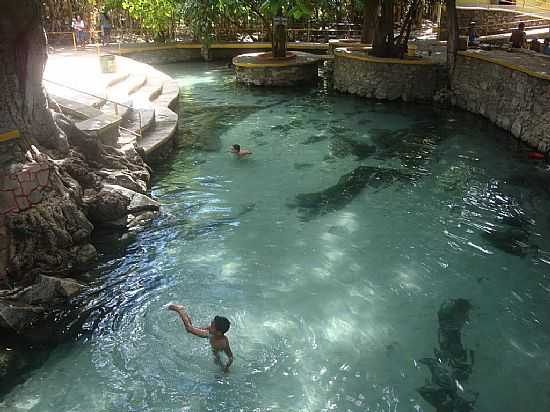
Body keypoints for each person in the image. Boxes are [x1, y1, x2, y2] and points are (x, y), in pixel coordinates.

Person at [168, 304, 234, 372]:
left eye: (212, 326)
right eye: (212, 324)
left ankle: (183, 311)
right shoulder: (212, 334)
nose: (210, 325)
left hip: (215, 347)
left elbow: (231, 357)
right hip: (209, 336)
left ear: (219, 332)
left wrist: (227, 366)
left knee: (192, 328)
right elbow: (229, 357)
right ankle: (180, 310)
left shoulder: (223, 342)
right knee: (189, 329)